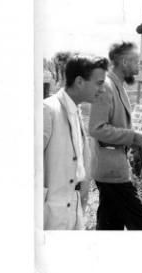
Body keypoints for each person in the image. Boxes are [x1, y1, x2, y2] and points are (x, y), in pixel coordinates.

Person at [89, 42, 142, 230]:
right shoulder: (107, 87)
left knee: (110, 224)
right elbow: (97, 129)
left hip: (112, 168)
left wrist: (137, 142)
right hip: (111, 171)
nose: (140, 66)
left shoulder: (116, 85)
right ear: (124, 62)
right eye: (137, 61)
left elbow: (115, 127)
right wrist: (133, 136)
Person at [43, 54, 109, 230]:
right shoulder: (48, 110)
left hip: (74, 209)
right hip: (51, 217)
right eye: (99, 83)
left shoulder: (75, 110)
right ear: (80, 82)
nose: (102, 89)